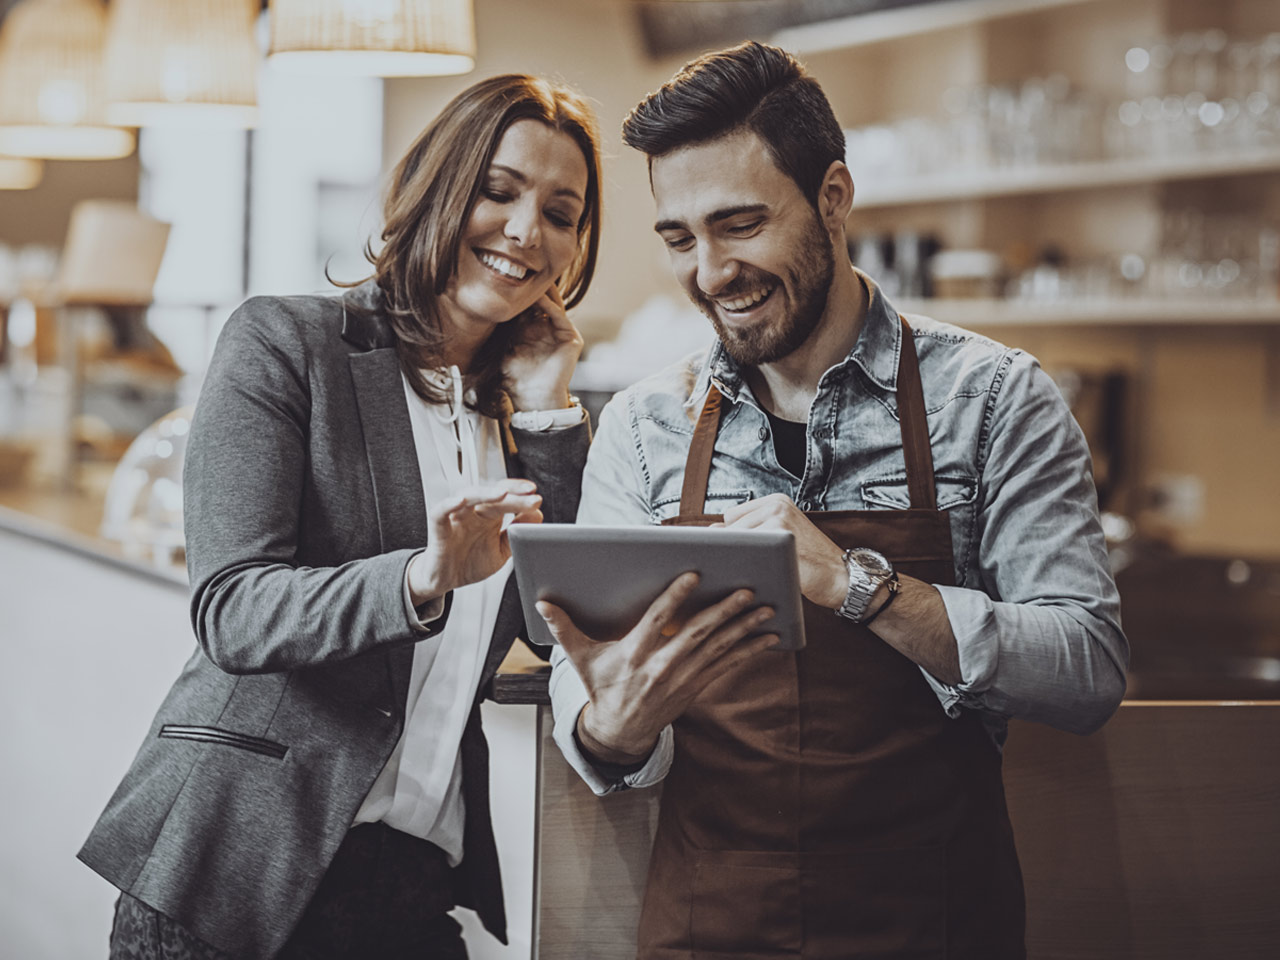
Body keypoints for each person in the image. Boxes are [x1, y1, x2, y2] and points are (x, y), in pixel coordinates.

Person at [540, 42, 1129, 958]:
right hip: (710, 923)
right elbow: (594, 705)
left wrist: (859, 584)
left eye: (740, 224)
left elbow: (1086, 669)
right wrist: (606, 729)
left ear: (834, 197)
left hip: (933, 920)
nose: (709, 272)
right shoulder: (644, 427)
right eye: (679, 238)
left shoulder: (994, 399)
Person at [79, 74, 606, 960]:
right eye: (499, 190)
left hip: (411, 882)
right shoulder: (288, 344)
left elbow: (569, 628)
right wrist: (420, 578)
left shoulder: (528, 414)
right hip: (236, 872)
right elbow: (234, 611)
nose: (528, 232)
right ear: (439, 188)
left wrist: (550, 409)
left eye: (562, 212)